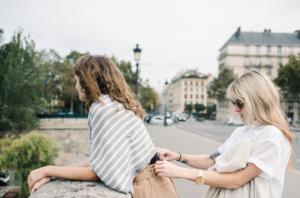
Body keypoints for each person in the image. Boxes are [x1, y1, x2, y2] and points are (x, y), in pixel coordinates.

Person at [28, 55, 179, 198]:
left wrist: (48, 170)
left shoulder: (105, 110)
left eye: (77, 80)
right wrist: (53, 174)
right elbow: (101, 161)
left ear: (87, 82)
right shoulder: (113, 105)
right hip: (155, 183)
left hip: (148, 187)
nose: (75, 86)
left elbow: (99, 173)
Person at [154, 70, 297, 198]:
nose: (235, 109)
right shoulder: (242, 131)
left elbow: (237, 180)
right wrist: (177, 156)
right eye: (233, 102)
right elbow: (212, 160)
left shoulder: (271, 134)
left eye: (240, 103)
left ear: (257, 101)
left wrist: (181, 172)